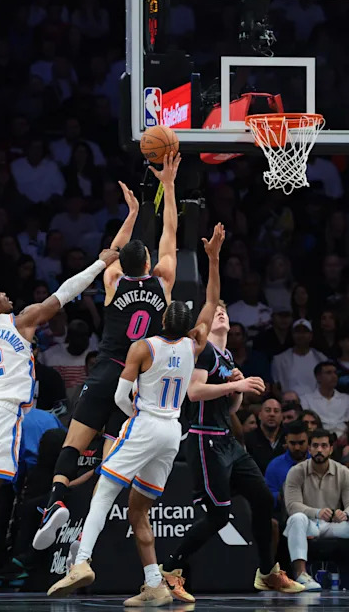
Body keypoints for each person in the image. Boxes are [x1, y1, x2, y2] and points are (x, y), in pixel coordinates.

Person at [0, 244, 120, 608]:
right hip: (1, 413)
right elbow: (65, 293)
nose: (9, 296)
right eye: (2, 295)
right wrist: (99, 264)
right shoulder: (21, 321)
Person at [47, 223, 227, 606]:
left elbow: (120, 393)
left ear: (164, 319)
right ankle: (153, 583)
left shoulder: (142, 348)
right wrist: (212, 260)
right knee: (138, 510)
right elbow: (212, 301)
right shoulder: (195, 346)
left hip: (145, 423)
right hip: (171, 434)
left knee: (104, 495)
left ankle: (81, 562)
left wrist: (130, 415)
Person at [34, 158, 179, 551]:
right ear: (149, 264)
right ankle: (89, 538)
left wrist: (131, 213)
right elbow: (171, 232)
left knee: (71, 445)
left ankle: (55, 503)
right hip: (136, 385)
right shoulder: (164, 280)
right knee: (111, 468)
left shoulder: (112, 280)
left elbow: (111, 252)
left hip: (103, 373)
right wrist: (168, 186)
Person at [159, 297, 298, 594]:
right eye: (216, 311)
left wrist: (237, 384)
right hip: (203, 437)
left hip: (227, 440)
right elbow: (194, 392)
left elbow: (232, 408)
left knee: (262, 499)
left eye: (225, 311)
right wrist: (236, 385)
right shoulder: (203, 351)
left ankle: (267, 571)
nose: (221, 314)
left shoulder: (227, 357)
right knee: (219, 517)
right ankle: (170, 568)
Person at [283, 429, 349, 591]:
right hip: (309, 524)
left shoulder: (343, 472)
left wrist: (346, 514)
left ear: (331, 449)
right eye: (315, 446)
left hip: (335, 524)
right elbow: (292, 505)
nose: (319, 450)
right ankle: (301, 575)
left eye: (324, 445)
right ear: (309, 449)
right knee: (296, 518)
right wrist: (316, 512)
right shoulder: (296, 471)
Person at [265, 420, 309, 507]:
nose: (297, 448)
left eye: (301, 443)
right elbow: (267, 497)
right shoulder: (274, 466)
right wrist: (281, 496)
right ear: (286, 440)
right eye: (292, 443)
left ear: (308, 440)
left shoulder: (318, 463)